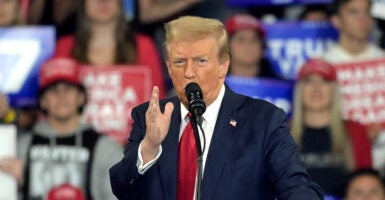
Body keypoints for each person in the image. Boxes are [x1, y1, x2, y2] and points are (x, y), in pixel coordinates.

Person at [109, 16, 323, 199]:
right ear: (168, 67)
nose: (189, 73)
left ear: (223, 66)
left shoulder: (263, 120)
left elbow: (296, 187)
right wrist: (149, 147)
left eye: (201, 61)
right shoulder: (150, 117)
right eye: (179, 62)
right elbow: (121, 188)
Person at [0, 57, 122, 200]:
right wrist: (16, 185)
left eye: (68, 89)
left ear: (81, 97)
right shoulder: (21, 145)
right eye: (53, 91)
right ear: (43, 101)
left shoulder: (105, 147)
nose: (61, 96)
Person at [291, 58, 372, 196]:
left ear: (334, 90)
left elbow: (366, 184)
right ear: (299, 90)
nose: (316, 88)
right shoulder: (280, 132)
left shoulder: (355, 131)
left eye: (324, 81)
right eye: (309, 81)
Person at [54, 0, 166, 97]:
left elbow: (158, 100)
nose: (103, 1)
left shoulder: (143, 46)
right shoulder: (65, 47)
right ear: (83, 3)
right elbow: (52, 101)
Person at [225, 13, 280, 79]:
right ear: (227, 46)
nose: (248, 46)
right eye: (240, 40)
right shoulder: (212, 84)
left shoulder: (281, 86)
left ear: (262, 47)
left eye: (254, 40)